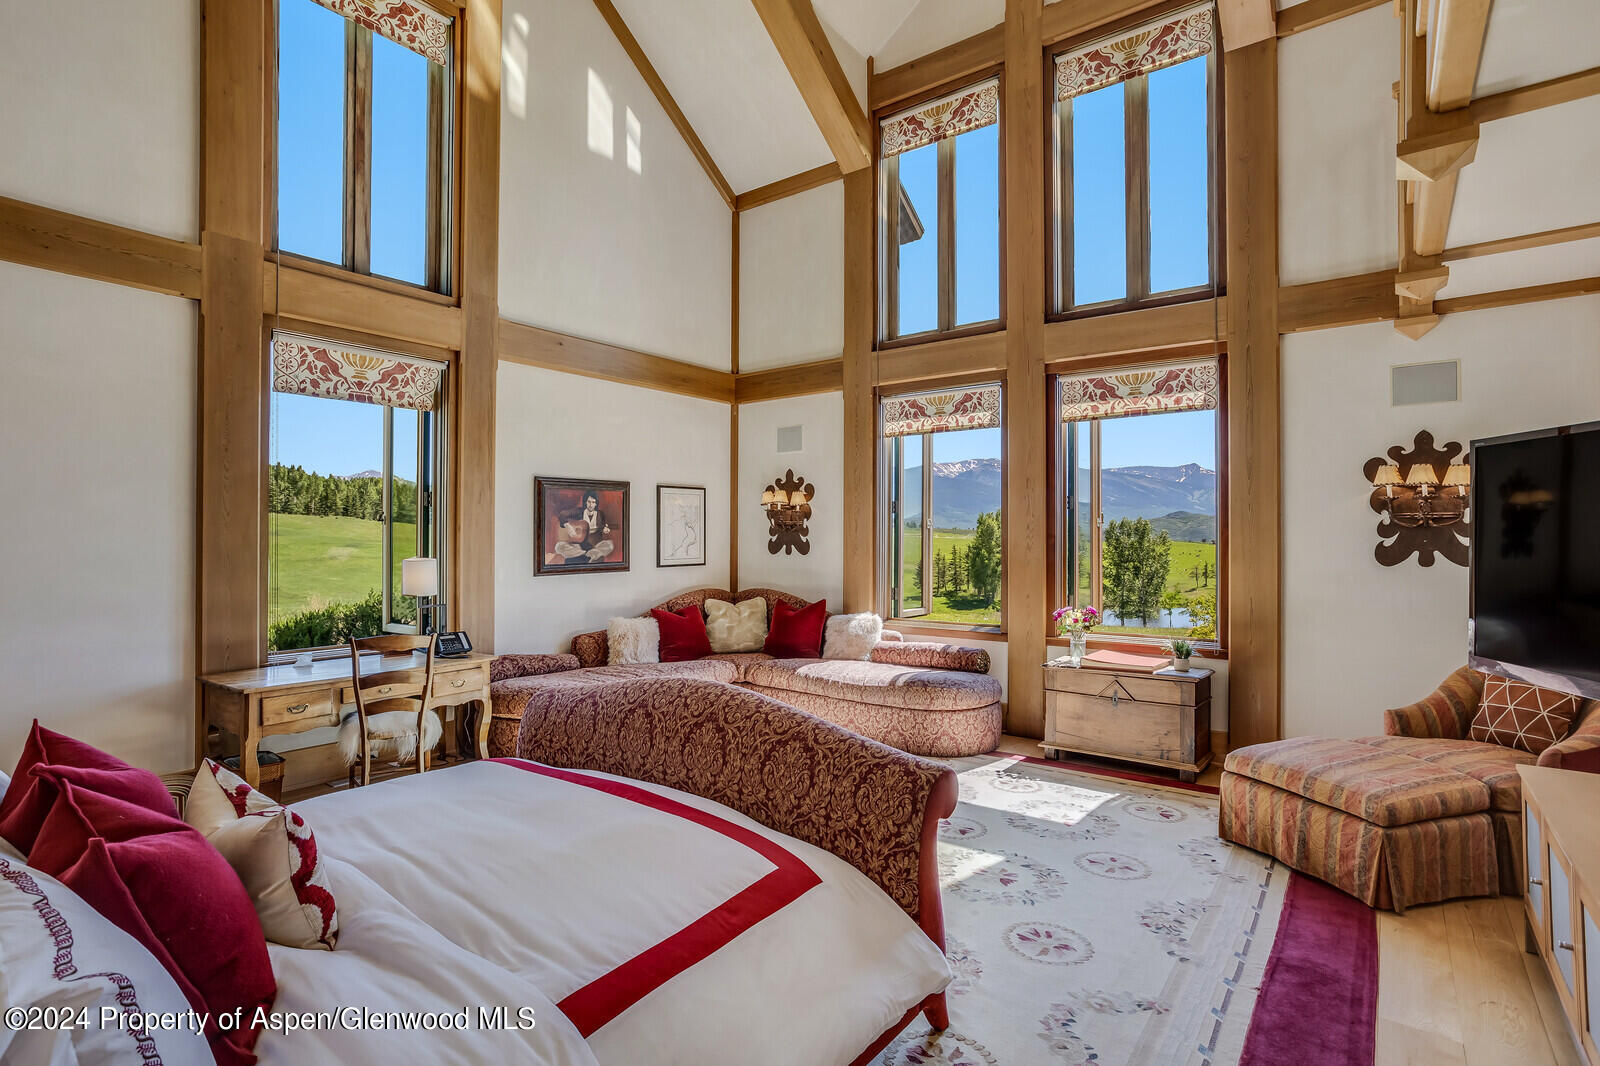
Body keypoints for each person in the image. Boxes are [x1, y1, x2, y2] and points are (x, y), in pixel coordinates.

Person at [554, 491, 616, 563]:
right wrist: (568, 526)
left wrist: (605, 529)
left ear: (596, 504)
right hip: (579, 546)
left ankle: (589, 553)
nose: (591, 505)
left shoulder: (600, 514)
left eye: (593, 502)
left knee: (610, 545)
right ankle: (585, 554)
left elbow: (603, 527)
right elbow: (562, 514)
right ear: (585, 502)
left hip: (594, 545)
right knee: (558, 546)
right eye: (589, 502)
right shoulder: (580, 512)